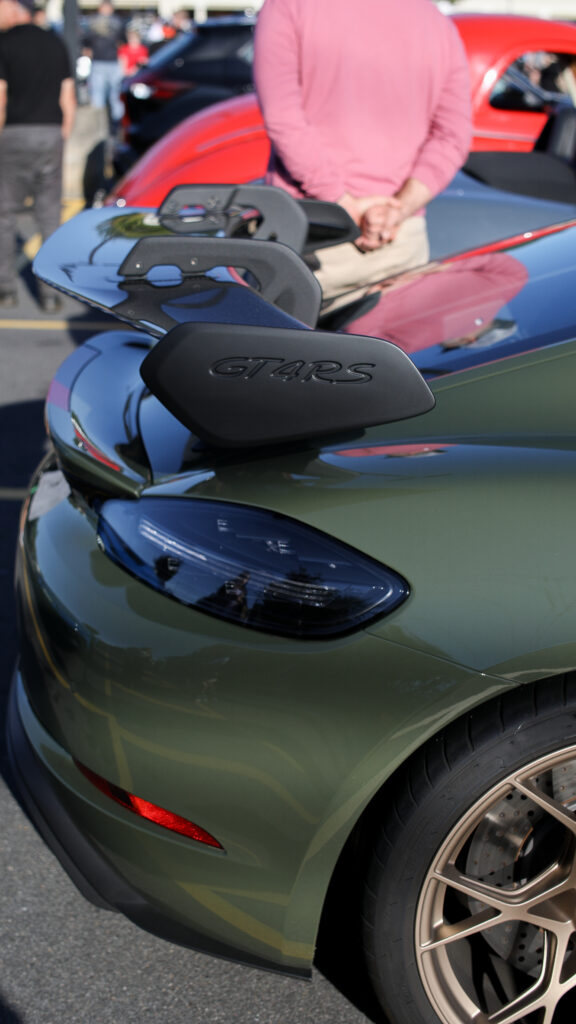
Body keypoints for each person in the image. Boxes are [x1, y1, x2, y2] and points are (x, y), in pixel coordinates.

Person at [253, 0, 472, 306]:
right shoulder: (436, 22)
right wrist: (400, 208)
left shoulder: (288, 7)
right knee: (392, 353)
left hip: (315, 237)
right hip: (398, 240)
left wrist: (345, 206)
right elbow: (453, 136)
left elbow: (284, 119)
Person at [0, 0, 76, 311]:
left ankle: (6, 289)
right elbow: (68, 97)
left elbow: (0, 98)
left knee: (4, 216)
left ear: (17, 9)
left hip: (14, 134)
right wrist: (62, 136)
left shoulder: (4, 44)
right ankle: (51, 294)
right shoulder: (55, 43)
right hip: (50, 133)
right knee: (49, 216)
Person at [81, 0, 126, 128]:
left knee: (111, 95)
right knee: (102, 95)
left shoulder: (113, 22)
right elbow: (86, 41)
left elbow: (123, 41)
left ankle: (112, 124)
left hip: (109, 62)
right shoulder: (94, 21)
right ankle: (103, 125)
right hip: (101, 62)